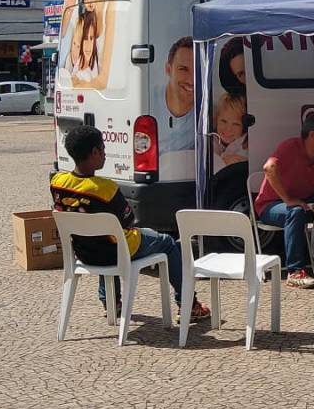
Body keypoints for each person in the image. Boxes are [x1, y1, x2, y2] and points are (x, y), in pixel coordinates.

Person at [50, 125, 210, 320]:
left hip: (85, 253)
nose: (105, 154)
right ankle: (188, 304)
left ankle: (110, 303)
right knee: (167, 242)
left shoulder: (57, 182)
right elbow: (128, 221)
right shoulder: (106, 188)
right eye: (103, 149)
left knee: (102, 236)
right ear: (94, 152)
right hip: (117, 251)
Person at [255, 113, 314, 288]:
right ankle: (295, 272)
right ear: (312, 135)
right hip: (271, 205)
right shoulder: (290, 147)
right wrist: (288, 199)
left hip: (303, 203)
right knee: (295, 212)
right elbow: (268, 167)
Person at [155, 36, 196, 154]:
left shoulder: (208, 112)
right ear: (168, 69)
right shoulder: (147, 103)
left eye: (197, 70)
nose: (191, 80)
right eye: (183, 69)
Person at [212, 92, 248, 169]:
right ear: (216, 120)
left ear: (244, 127)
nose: (228, 129)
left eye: (236, 124)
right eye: (223, 121)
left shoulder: (246, 148)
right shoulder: (210, 140)